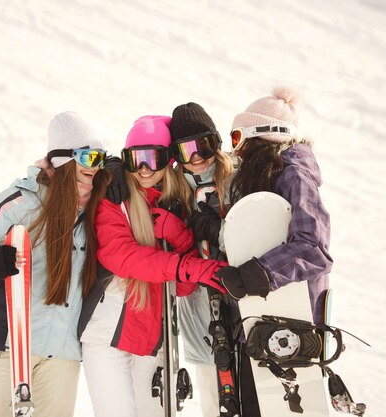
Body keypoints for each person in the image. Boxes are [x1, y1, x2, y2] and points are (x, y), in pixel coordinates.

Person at [78, 115, 228, 417]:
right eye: (135, 160)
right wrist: (192, 266)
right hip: (109, 337)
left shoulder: (174, 202)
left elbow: (183, 287)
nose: (144, 169)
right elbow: (123, 257)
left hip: (154, 343)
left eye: (153, 158)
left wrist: (179, 234)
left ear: (169, 160)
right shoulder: (114, 198)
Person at [0, 111, 108, 417]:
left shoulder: (98, 210)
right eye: (87, 158)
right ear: (64, 161)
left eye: (100, 159)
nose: (94, 168)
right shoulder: (23, 201)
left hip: (62, 355)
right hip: (9, 347)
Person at [213, 86, 333, 416]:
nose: (235, 150)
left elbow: (313, 248)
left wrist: (258, 273)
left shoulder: (294, 174)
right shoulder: (267, 177)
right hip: (263, 327)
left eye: (237, 138)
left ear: (258, 137)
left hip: (291, 329)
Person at [167, 102, 236, 417]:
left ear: (216, 143)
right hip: (198, 306)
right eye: (185, 151)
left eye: (203, 146)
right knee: (213, 396)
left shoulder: (235, 179)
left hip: (238, 298)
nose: (196, 158)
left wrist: (221, 227)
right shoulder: (173, 190)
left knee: (250, 389)